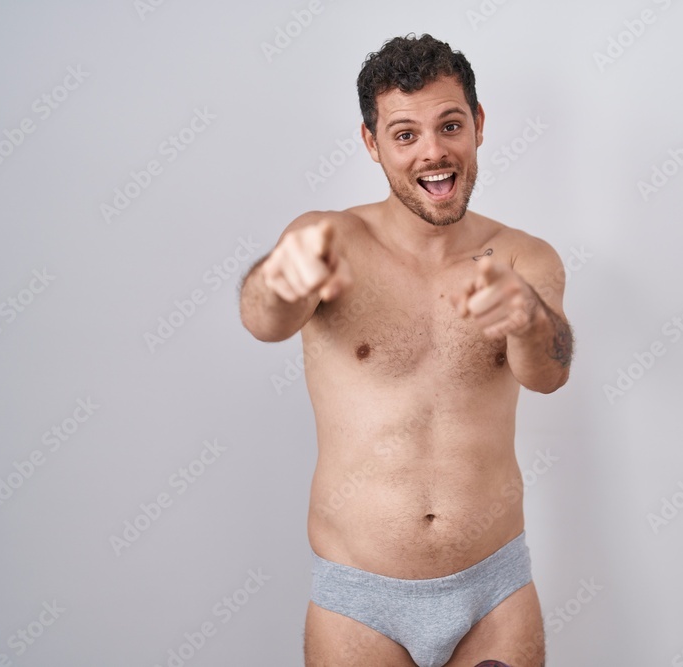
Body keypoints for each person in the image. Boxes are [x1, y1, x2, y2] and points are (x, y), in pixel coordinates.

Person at [240, 33, 572, 667]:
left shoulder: (524, 256)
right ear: (372, 143)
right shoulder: (327, 238)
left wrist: (528, 319)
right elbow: (264, 320)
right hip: (358, 599)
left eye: (450, 125)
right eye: (405, 134)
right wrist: (277, 280)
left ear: (478, 124)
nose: (433, 152)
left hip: (494, 593)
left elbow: (549, 374)